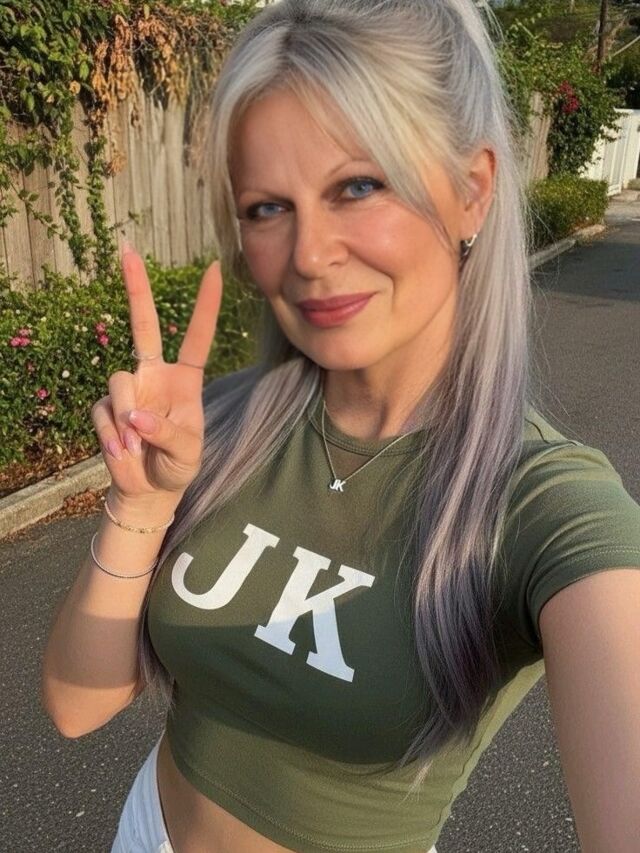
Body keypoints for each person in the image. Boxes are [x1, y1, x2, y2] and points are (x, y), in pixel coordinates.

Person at [41, 0, 640, 851]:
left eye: (358, 186)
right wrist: (141, 505)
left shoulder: (547, 503)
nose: (309, 254)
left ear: (472, 191)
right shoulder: (221, 426)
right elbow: (76, 705)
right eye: (266, 207)